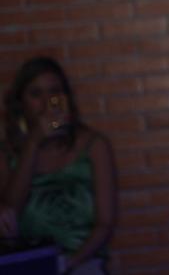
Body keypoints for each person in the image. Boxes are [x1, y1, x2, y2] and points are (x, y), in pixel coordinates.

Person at [0, 57, 117, 275]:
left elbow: (105, 223)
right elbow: (9, 213)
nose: (46, 103)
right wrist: (33, 143)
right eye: (36, 94)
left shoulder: (94, 145)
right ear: (21, 102)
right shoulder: (7, 153)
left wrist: (69, 263)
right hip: (31, 261)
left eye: (54, 92)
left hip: (82, 261)